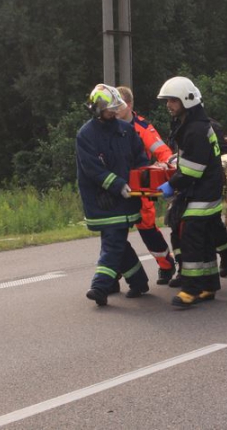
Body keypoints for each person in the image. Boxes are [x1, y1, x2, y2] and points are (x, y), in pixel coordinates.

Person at [76, 84, 150, 306]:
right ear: (97, 109)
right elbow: (92, 169)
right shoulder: (86, 135)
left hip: (127, 199)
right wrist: (117, 185)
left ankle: (116, 284)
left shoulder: (126, 130)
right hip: (102, 201)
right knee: (115, 243)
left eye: (116, 108)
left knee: (115, 242)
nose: (115, 112)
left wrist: (142, 181)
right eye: (110, 109)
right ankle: (120, 283)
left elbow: (140, 158)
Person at [156, 76, 224, 307]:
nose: (169, 105)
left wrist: (171, 185)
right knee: (204, 241)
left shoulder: (194, 130)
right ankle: (209, 286)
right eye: (168, 101)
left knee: (192, 240)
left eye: (173, 101)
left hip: (202, 193)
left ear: (186, 100)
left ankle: (191, 290)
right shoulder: (193, 124)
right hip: (207, 190)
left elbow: (192, 172)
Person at [115, 86, 177, 285]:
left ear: (130, 105)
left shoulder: (142, 127)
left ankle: (166, 264)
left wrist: (163, 168)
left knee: (147, 229)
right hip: (116, 188)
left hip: (139, 187)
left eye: (120, 104)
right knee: (114, 234)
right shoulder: (107, 125)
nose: (115, 109)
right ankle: (113, 273)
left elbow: (164, 153)